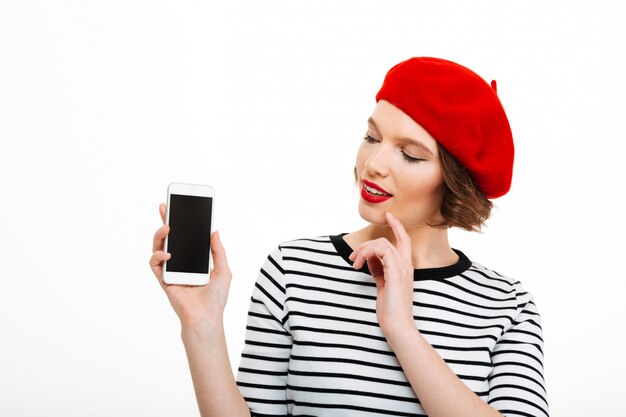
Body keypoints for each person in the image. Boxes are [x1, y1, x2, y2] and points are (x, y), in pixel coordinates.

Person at [149, 57, 548, 417]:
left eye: (410, 154)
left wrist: (402, 330)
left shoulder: (505, 305)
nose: (373, 165)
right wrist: (201, 326)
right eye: (372, 137)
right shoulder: (293, 271)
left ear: (455, 182)